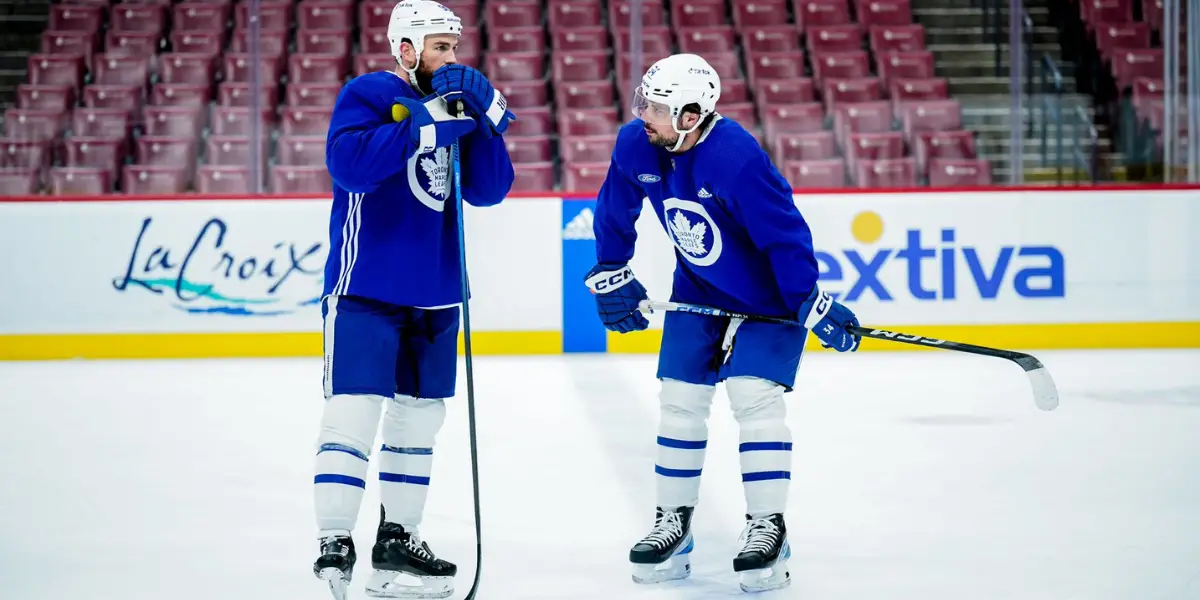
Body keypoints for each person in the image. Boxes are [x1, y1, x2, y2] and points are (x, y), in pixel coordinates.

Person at [585, 53, 862, 593]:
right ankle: (675, 523)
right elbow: (614, 208)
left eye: (657, 108)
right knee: (679, 401)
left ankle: (768, 527)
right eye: (644, 102)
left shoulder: (736, 159)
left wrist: (808, 299)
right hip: (698, 291)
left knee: (755, 397)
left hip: (770, 300)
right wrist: (611, 268)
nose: (645, 115)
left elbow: (785, 234)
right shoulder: (637, 143)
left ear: (691, 115)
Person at [310, 1, 515, 598]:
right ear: (406, 48)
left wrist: (484, 118)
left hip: (436, 293)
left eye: (455, 47)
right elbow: (348, 165)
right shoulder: (370, 91)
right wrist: (423, 124)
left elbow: (490, 190)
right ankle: (335, 540)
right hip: (364, 289)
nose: (452, 58)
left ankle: (398, 540)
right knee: (352, 413)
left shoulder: (456, 105)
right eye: (440, 47)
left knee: (419, 422)